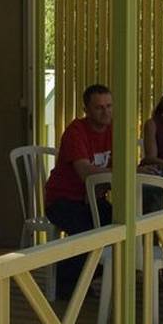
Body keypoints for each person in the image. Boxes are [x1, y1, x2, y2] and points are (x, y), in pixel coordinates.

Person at [44, 84, 115, 295]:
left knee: (120, 225)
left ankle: (85, 278)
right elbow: (85, 172)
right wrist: (119, 173)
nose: (106, 112)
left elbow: (124, 164)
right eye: (99, 108)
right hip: (62, 199)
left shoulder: (115, 130)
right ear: (86, 110)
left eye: (109, 106)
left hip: (92, 199)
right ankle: (65, 284)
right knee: (89, 232)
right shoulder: (76, 131)